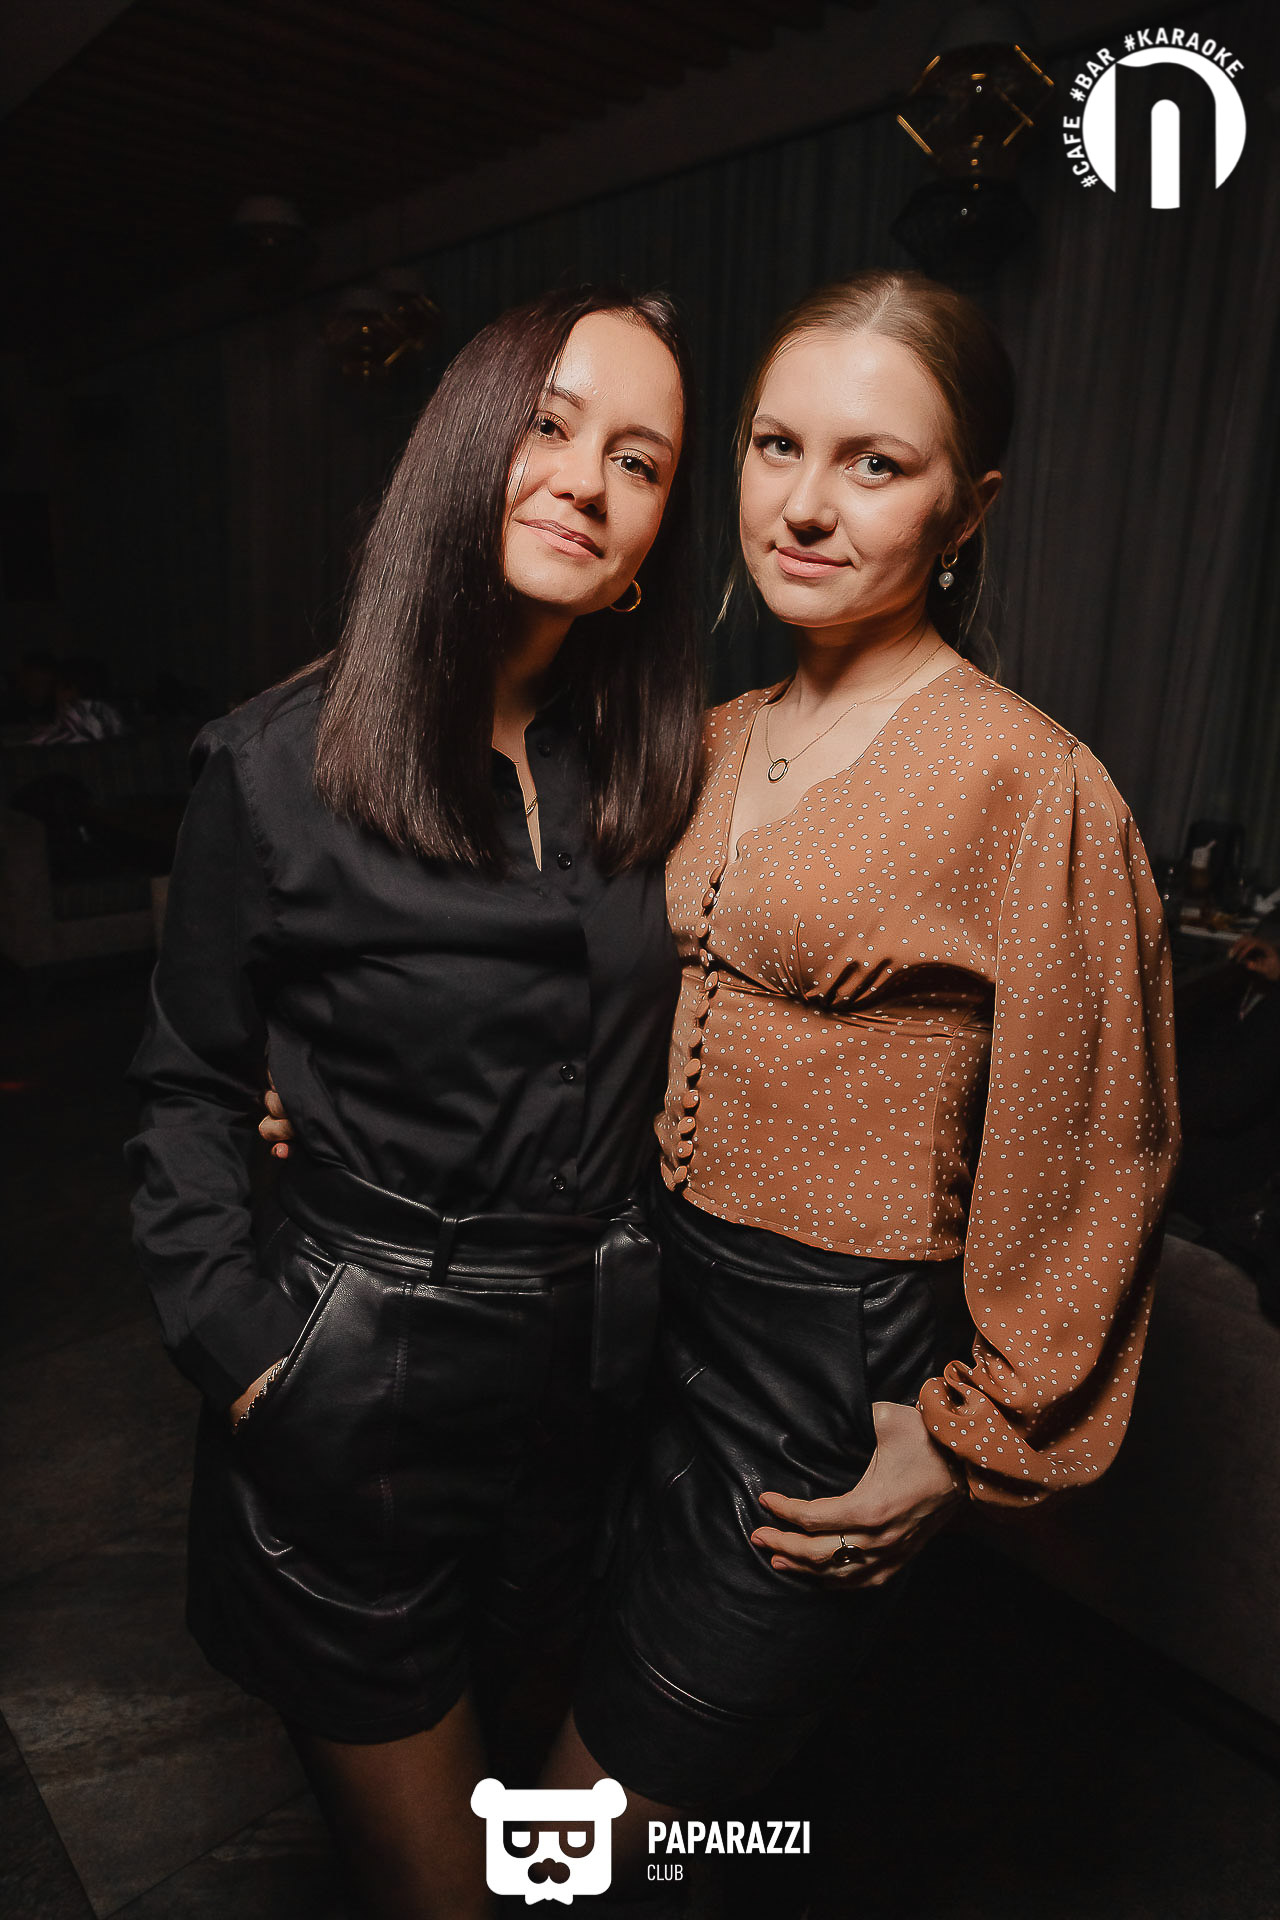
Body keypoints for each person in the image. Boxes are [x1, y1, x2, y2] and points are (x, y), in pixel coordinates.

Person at [531, 270, 1181, 1857]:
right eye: (777, 447)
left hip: (818, 1368)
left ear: (970, 510)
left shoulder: (1029, 782)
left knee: (591, 1816)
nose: (806, 506)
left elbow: (1099, 1140)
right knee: (605, 1754)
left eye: (875, 464)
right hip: (638, 1317)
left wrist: (973, 1438)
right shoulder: (704, 733)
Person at [126, 284, 702, 1920]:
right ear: (463, 449)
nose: (587, 479)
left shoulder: (665, 768)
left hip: (590, 1417)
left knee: (556, 1863)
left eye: (641, 460)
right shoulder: (275, 765)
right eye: (550, 425)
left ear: (653, 539)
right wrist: (249, 1356)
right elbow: (185, 1086)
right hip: (353, 1400)